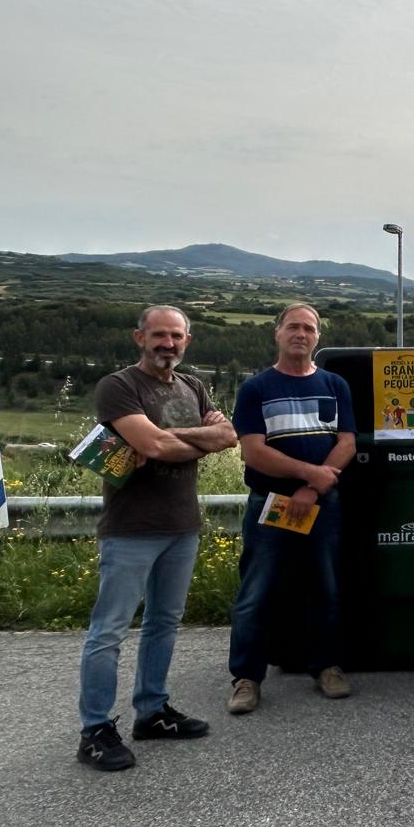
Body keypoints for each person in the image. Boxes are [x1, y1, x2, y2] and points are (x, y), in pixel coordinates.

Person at [76, 306, 236, 771]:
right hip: (131, 528)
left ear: (188, 340)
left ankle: (151, 711)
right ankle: (95, 729)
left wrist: (173, 435)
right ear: (139, 337)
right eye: (158, 335)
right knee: (109, 631)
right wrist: (193, 438)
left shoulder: (193, 385)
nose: (168, 343)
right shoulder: (119, 386)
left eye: (176, 336)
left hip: (182, 524)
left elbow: (228, 434)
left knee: (164, 623)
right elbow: (153, 446)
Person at [226, 304, 357, 715]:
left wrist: (313, 489)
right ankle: (247, 678)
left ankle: (326, 667)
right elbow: (254, 452)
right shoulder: (256, 389)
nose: (301, 334)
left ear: (318, 337)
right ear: (277, 333)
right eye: (293, 327)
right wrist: (308, 478)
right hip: (272, 504)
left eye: (309, 328)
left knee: (325, 587)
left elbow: (347, 443)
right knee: (257, 592)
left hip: (321, 505)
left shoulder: (335, 385)